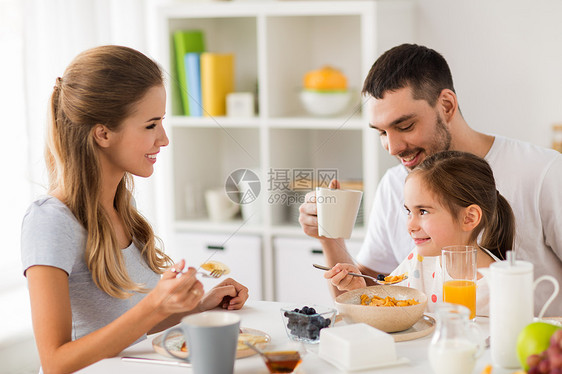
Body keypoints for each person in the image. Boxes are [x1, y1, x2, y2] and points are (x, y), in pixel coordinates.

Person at [20, 45, 249, 373]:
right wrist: (156, 305)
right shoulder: (50, 221)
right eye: (151, 125)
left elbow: (128, 327)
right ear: (103, 133)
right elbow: (55, 361)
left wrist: (195, 306)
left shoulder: (121, 207)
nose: (164, 138)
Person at [299, 43, 562, 316]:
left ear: (446, 105)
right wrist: (329, 238)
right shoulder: (396, 184)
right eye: (381, 133)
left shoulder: (542, 172)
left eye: (405, 126)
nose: (392, 147)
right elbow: (364, 296)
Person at [331, 151, 515, 315]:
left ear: (469, 218)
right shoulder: (417, 262)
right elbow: (389, 309)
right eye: (409, 211)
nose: (410, 225)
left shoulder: (501, 286)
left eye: (423, 212)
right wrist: (361, 290)